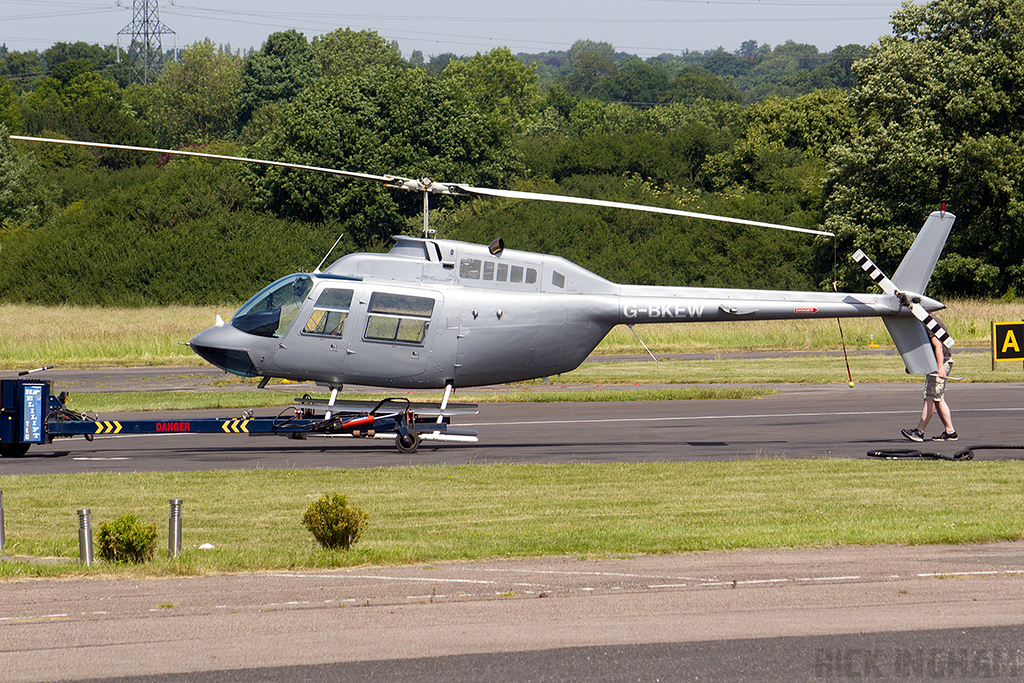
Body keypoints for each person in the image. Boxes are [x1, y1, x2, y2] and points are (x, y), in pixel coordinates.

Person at [902, 315, 957, 442]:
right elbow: (925, 348)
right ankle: (950, 432)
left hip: (939, 364)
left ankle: (920, 431)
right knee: (937, 398)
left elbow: (937, 346)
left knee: (930, 397)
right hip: (937, 363)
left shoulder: (930, 323)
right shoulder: (928, 322)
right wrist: (912, 365)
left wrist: (939, 368)